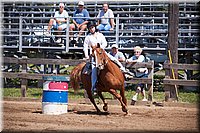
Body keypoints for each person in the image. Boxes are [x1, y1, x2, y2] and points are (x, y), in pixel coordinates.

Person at [83, 20, 134, 95]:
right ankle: (93, 87)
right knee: (94, 70)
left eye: (92, 27)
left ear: (95, 27)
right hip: (94, 56)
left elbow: (105, 43)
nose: (92, 29)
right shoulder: (88, 37)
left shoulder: (100, 35)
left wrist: (100, 49)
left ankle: (124, 71)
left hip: (102, 53)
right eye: (90, 28)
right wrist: (87, 55)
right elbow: (85, 47)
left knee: (114, 60)